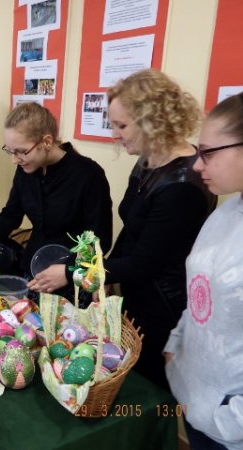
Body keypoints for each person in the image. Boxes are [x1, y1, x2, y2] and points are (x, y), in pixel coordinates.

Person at [101, 69, 216, 390]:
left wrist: (82, 272)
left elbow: (145, 263)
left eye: (121, 125)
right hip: (136, 294)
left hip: (162, 307)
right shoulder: (149, 159)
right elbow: (131, 229)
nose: (115, 134)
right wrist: (106, 274)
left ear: (152, 121)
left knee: (147, 390)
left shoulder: (183, 186)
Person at [0, 102, 113, 296]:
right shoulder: (26, 169)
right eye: (11, 151)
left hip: (71, 282)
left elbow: (99, 239)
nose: (14, 160)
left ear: (47, 141)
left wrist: (69, 271)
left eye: (22, 151)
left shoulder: (88, 174)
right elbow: (11, 214)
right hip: (32, 272)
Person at [164, 93, 243, 450]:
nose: (197, 165)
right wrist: (176, 344)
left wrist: (229, 420)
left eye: (209, 153)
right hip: (196, 401)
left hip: (229, 427)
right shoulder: (225, 213)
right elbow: (201, 293)